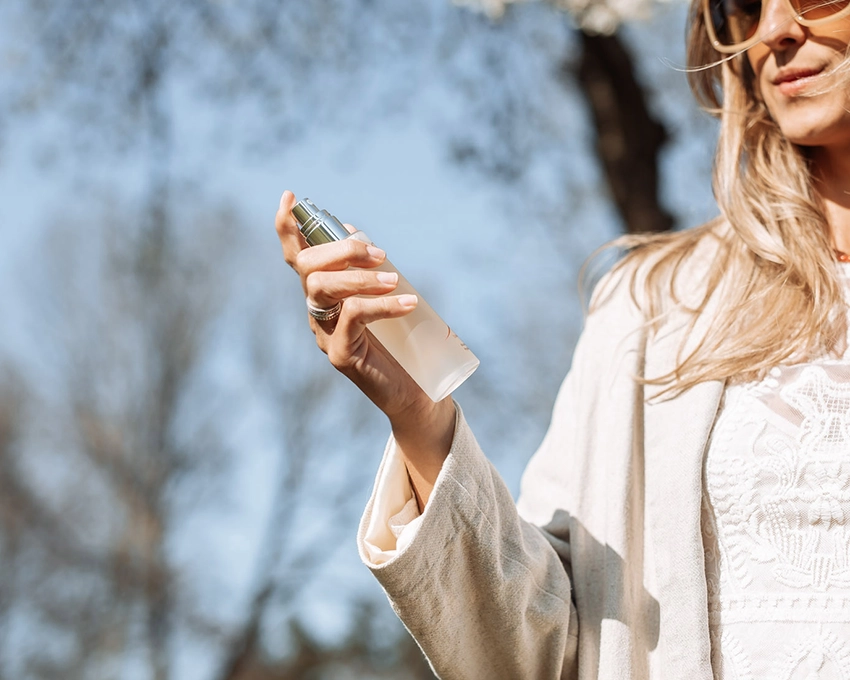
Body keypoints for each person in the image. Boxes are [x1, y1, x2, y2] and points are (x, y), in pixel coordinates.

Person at [275, 0, 850, 674]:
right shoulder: (655, 308)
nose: (773, 32)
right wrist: (418, 417)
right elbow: (539, 645)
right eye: (744, 6)